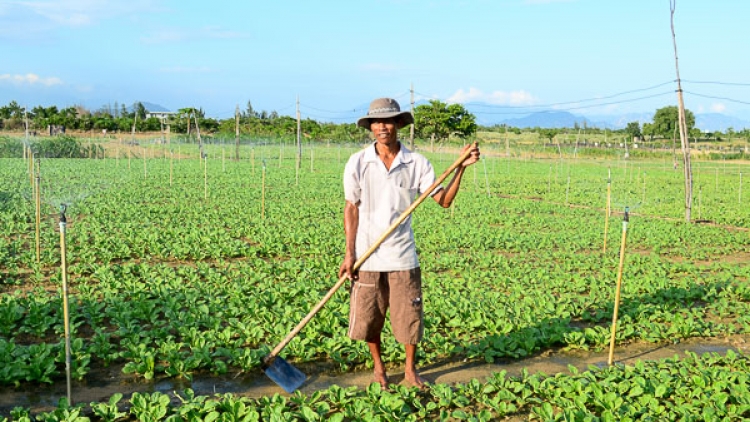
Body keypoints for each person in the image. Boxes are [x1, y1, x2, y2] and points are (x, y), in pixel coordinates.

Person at [338, 97, 480, 389]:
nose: (382, 127)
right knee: (369, 317)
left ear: (399, 124)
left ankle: (409, 370)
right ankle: (379, 368)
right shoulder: (358, 162)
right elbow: (351, 207)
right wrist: (348, 254)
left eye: (388, 121)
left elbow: (443, 200)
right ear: (370, 127)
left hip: (403, 256)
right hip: (367, 255)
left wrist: (461, 168)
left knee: (408, 318)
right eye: (376, 122)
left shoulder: (416, 163)